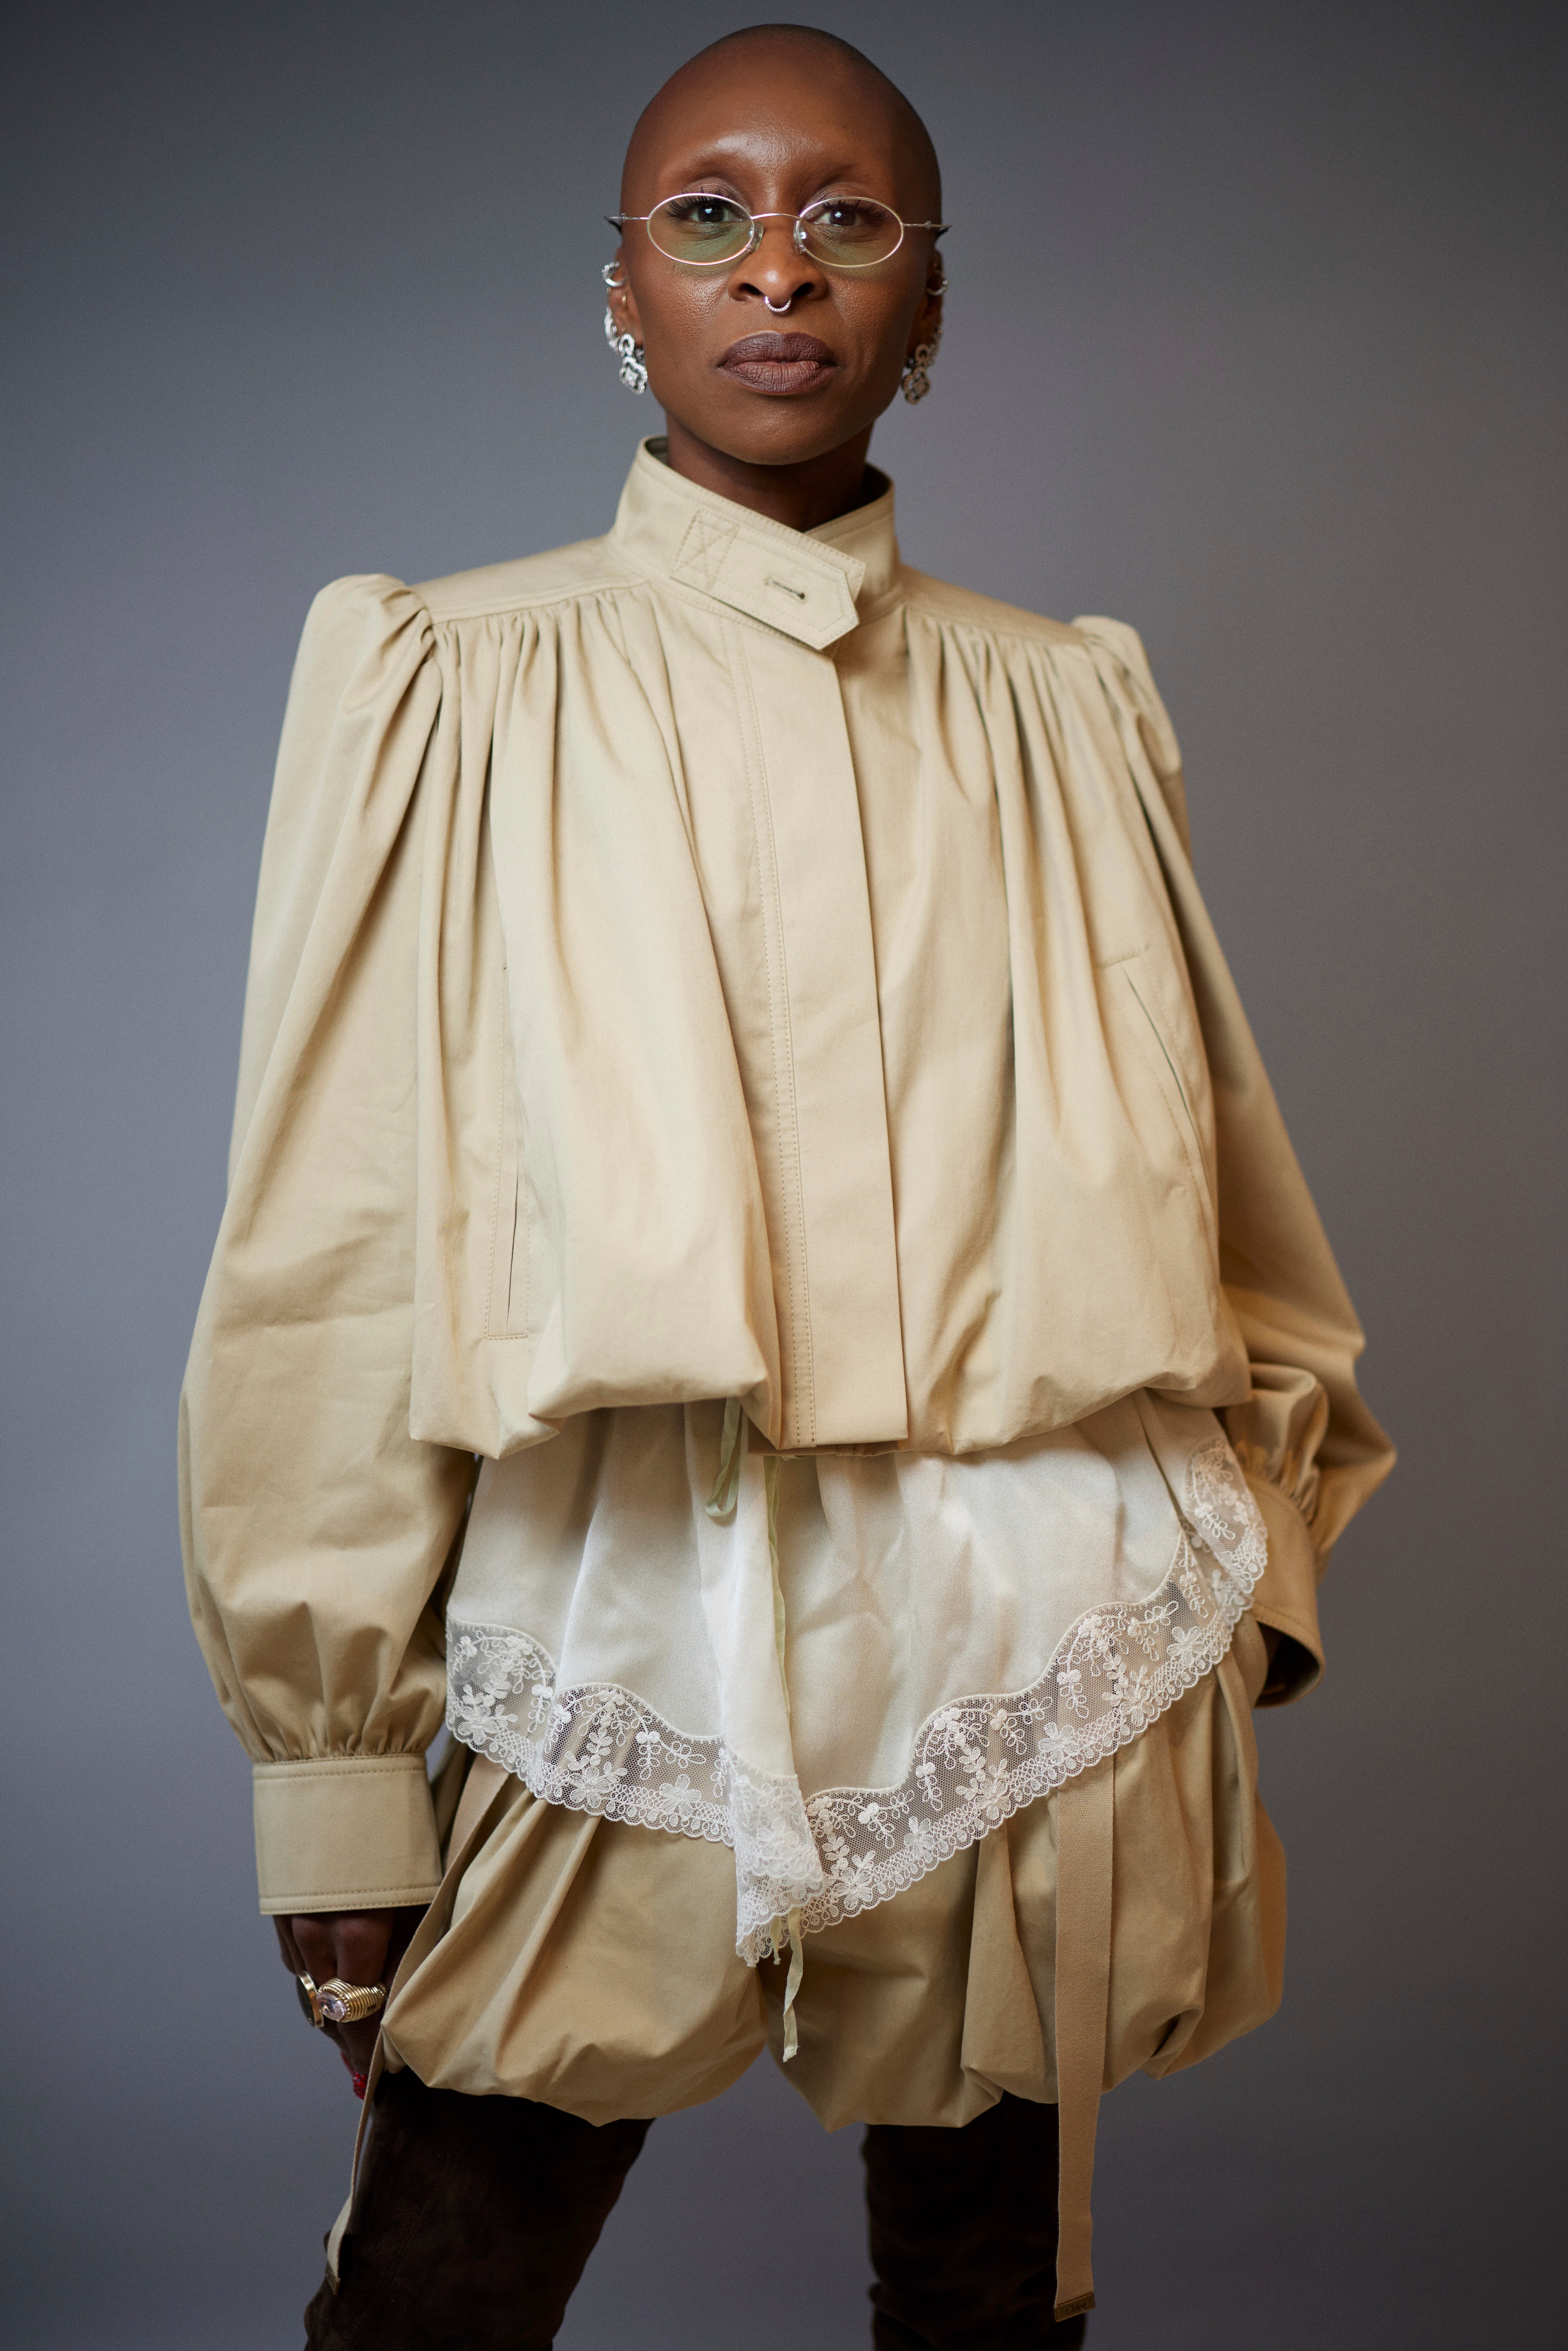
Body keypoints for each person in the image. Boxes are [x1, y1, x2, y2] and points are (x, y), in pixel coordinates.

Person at [179, 24, 1394, 2348]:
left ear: (927, 307)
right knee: (441, 2278)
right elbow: (325, 1248)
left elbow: (1237, 1193)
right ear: (617, 293)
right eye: (709, 218)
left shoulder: (1063, 698)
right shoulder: (459, 677)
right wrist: (335, 1771)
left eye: (850, 222)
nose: (781, 273)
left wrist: (1257, 1553)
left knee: (987, 2300)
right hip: (620, 1613)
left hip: (1040, 1634)